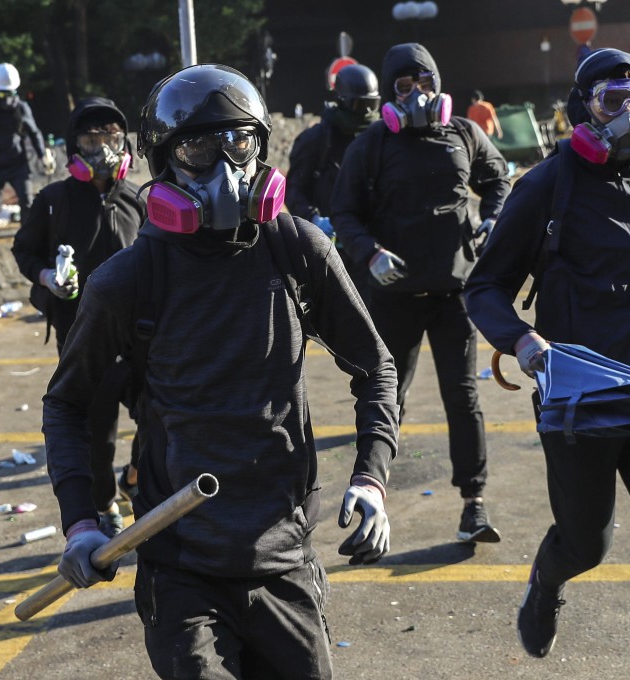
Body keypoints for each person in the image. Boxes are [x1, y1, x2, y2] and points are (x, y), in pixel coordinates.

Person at [42, 64, 399, 678]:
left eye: (240, 142)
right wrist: (79, 522)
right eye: (199, 147)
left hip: (285, 554)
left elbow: (376, 367)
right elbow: (67, 403)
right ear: (163, 162)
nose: (226, 166)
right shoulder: (127, 281)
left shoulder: (298, 249)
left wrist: (372, 477)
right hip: (183, 567)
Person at [463, 48, 630, 680]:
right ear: (583, 111)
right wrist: (522, 342)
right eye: (613, 101)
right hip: (582, 397)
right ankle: (547, 581)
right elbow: (483, 286)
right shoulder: (546, 187)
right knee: (587, 542)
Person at [331, 42, 511, 544]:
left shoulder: (464, 132)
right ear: (390, 94)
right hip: (395, 294)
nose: (416, 94)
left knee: (464, 397)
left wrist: (493, 218)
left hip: (454, 293)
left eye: (424, 83)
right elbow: (343, 211)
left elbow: (499, 180)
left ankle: (473, 504)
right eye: (404, 87)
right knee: (388, 397)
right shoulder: (371, 145)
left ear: (438, 85)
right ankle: (370, 501)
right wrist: (369, 253)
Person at [12, 97, 146, 537]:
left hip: (142, 338)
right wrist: (47, 276)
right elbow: (24, 250)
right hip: (85, 339)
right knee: (97, 434)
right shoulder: (54, 200)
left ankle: (136, 477)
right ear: (74, 148)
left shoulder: (139, 199)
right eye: (91, 140)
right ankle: (105, 503)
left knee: (165, 416)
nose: (102, 150)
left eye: (110, 139)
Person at [287, 63, 381, 296]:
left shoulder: (377, 137)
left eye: (372, 105)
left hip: (371, 247)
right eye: (360, 105)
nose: (366, 113)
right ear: (341, 100)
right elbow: (294, 190)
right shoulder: (316, 141)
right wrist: (314, 219)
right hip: (331, 250)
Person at [0, 62, 54, 253]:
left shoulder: (21, 108)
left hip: (18, 162)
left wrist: (42, 155)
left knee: (27, 201)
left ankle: (28, 236)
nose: (7, 99)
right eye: (2, 94)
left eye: (10, 94)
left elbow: (34, 131)